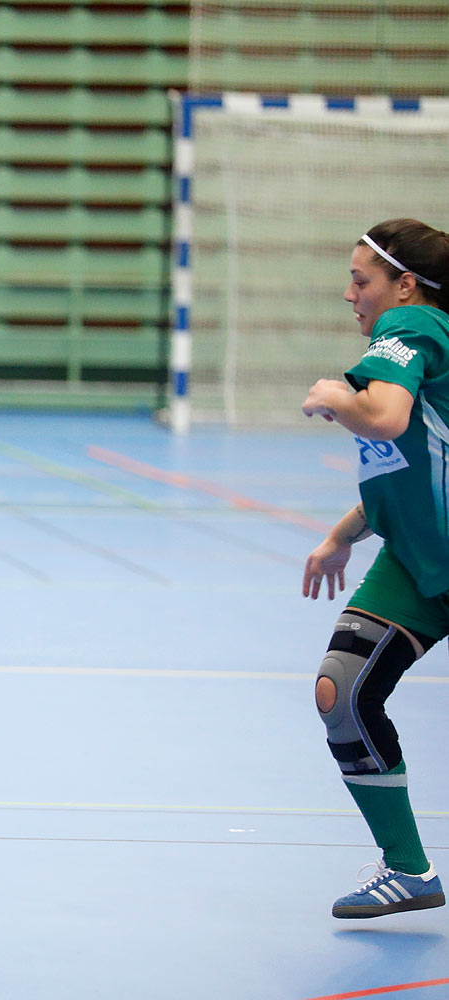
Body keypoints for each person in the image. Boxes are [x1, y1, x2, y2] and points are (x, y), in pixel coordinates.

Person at [301, 218, 449, 918]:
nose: (350, 293)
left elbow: (384, 420)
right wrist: (342, 534)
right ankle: (409, 870)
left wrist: (335, 395)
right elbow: (404, 464)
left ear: (405, 285)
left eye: (362, 280)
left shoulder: (411, 328)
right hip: (419, 564)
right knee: (343, 691)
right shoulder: (421, 345)